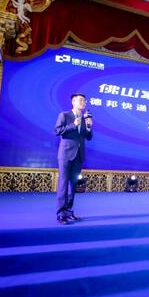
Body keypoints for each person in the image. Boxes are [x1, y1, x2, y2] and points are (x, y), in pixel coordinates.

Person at [54, 93, 93, 224]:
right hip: (66, 154)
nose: (83, 102)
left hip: (79, 155)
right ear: (73, 102)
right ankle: (61, 214)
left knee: (73, 185)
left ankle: (69, 211)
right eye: (81, 100)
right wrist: (73, 125)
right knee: (63, 184)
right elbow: (57, 131)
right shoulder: (64, 115)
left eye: (84, 101)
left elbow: (88, 137)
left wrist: (89, 127)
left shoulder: (85, 118)